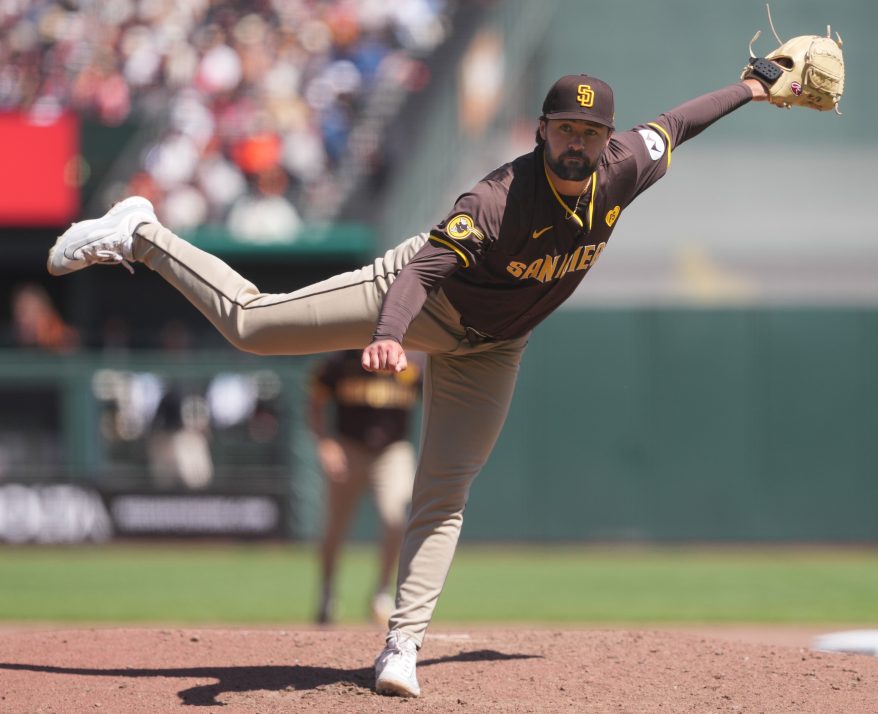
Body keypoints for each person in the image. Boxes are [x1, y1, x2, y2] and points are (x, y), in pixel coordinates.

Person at [47, 72, 771, 697]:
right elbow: (424, 271)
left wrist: (754, 86)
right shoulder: (498, 199)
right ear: (542, 131)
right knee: (253, 326)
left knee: (445, 491)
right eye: (565, 129)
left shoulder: (624, 165)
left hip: (493, 347)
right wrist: (389, 333)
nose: (578, 143)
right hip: (421, 300)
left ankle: (401, 645)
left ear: (607, 138)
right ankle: (141, 233)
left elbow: (680, 122)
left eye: (591, 131)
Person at [309, 349, 422, 627]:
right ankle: (327, 591)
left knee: (395, 518)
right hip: (348, 448)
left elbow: (437, 401)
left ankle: (381, 594)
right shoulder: (341, 359)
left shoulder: (411, 360)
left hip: (392, 450)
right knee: (335, 527)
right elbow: (314, 403)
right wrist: (325, 443)